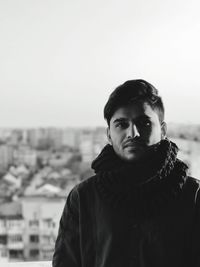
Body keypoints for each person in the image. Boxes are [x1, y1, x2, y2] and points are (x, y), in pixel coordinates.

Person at [52, 79, 200, 267]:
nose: (133, 133)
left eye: (144, 123)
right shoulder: (83, 198)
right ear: (109, 134)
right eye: (121, 124)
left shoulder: (193, 195)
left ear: (162, 130)